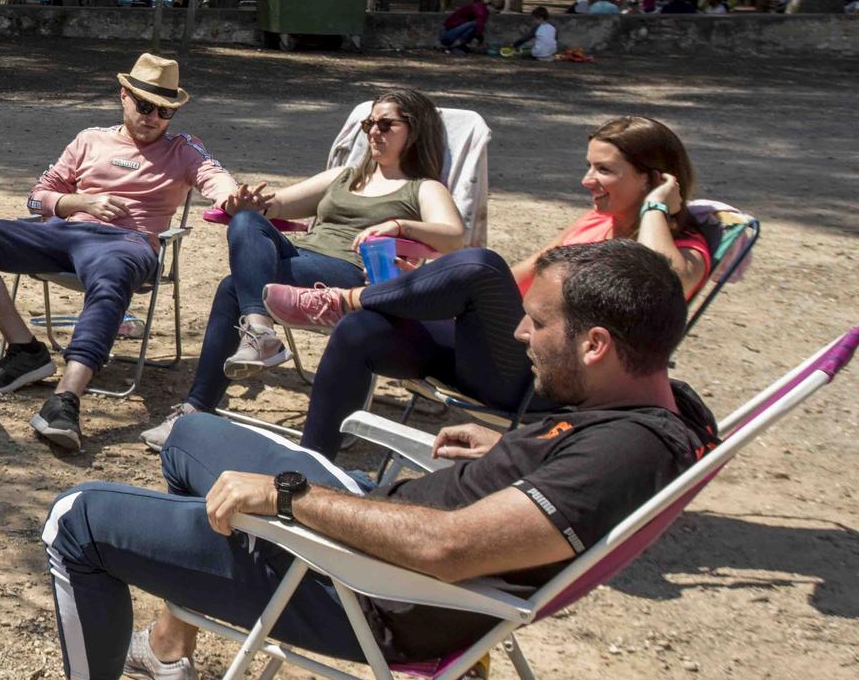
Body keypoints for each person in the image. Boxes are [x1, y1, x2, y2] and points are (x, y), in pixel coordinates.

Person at [0, 239, 717, 680]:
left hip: (367, 589)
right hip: (374, 529)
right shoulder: (662, 405)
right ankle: (168, 649)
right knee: (187, 436)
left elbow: (445, 546)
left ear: (596, 344)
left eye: (538, 321)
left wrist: (289, 497)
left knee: (75, 519)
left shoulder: (623, 452)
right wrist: (514, 449)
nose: (521, 335)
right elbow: (570, 474)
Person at [258, 115, 712, 456]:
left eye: (604, 171)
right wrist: (429, 283)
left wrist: (655, 209)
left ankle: (344, 300)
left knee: (479, 263)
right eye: (589, 167)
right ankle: (313, 466)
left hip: (549, 381)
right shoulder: (596, 222)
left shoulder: (686, 250)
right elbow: (520, 276)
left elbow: (664, 280)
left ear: (655, 179)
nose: (586, 180)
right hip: (497, 353)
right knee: (364, 330)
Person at [0, 54, 240, 453]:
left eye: (164, 111)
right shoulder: (90, 139)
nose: (153, 118)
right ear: (124, 97)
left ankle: (65, 399)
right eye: (145, 106)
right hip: (63, 233)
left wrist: (235, 198)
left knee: (113, 274)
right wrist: (79, 202)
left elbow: (216, 181)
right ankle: (26, 351)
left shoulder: (184, 149)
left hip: (127, 244)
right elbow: (37, 196)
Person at [153, 89, 464, 449]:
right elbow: (279, 204)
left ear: (416, 130)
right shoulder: (345, 177)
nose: (373, 132)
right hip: (301, 259)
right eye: (368, 123)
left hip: (349, 275)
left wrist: (400, 226)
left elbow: (454, 237)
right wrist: (249, 203)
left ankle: (198, 407)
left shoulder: (421, 188)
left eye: (385, 124)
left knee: (230, 288)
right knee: (247, 222)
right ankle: (259, 333)